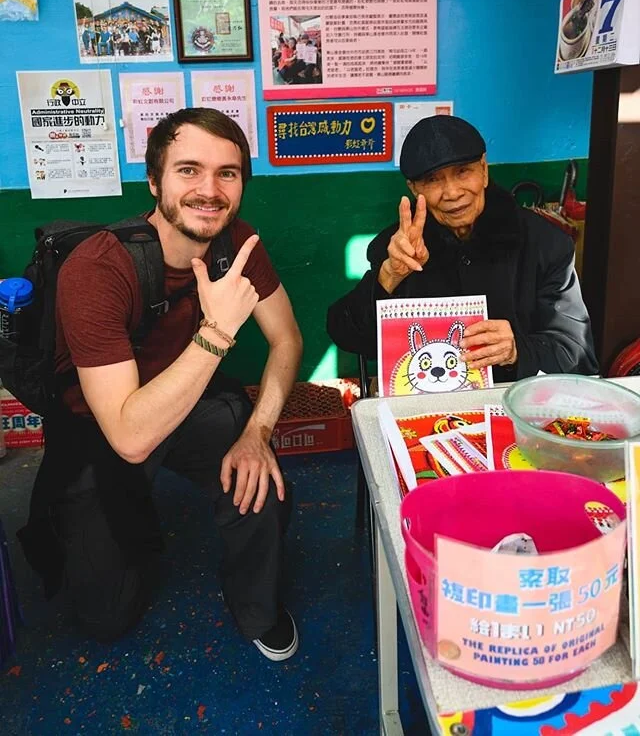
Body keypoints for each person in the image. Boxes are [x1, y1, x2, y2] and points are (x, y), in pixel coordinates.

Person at [17, 108, 303, 661]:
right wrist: (217, 332)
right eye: (189, 170)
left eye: (228, 173)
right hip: (102, 428)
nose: (210, 190)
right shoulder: (97, 269)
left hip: (190, 405)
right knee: (107, 617)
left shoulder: (236, 245)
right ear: (154, 182)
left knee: (260, 481)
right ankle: (126, 530)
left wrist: (258, 432)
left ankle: (258, 607)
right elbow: (129, 435)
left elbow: (287, 340)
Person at [326, 115, 598, 381]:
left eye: (463, 172)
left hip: (514, 405)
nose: (452, 192)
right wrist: (388, 277)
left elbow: (577, 353)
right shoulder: (399, 247)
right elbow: (347, 336)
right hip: (426, 411)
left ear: (484, 170)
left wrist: (517, 349)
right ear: (413, 188)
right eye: (432, 180)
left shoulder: (545, 244)